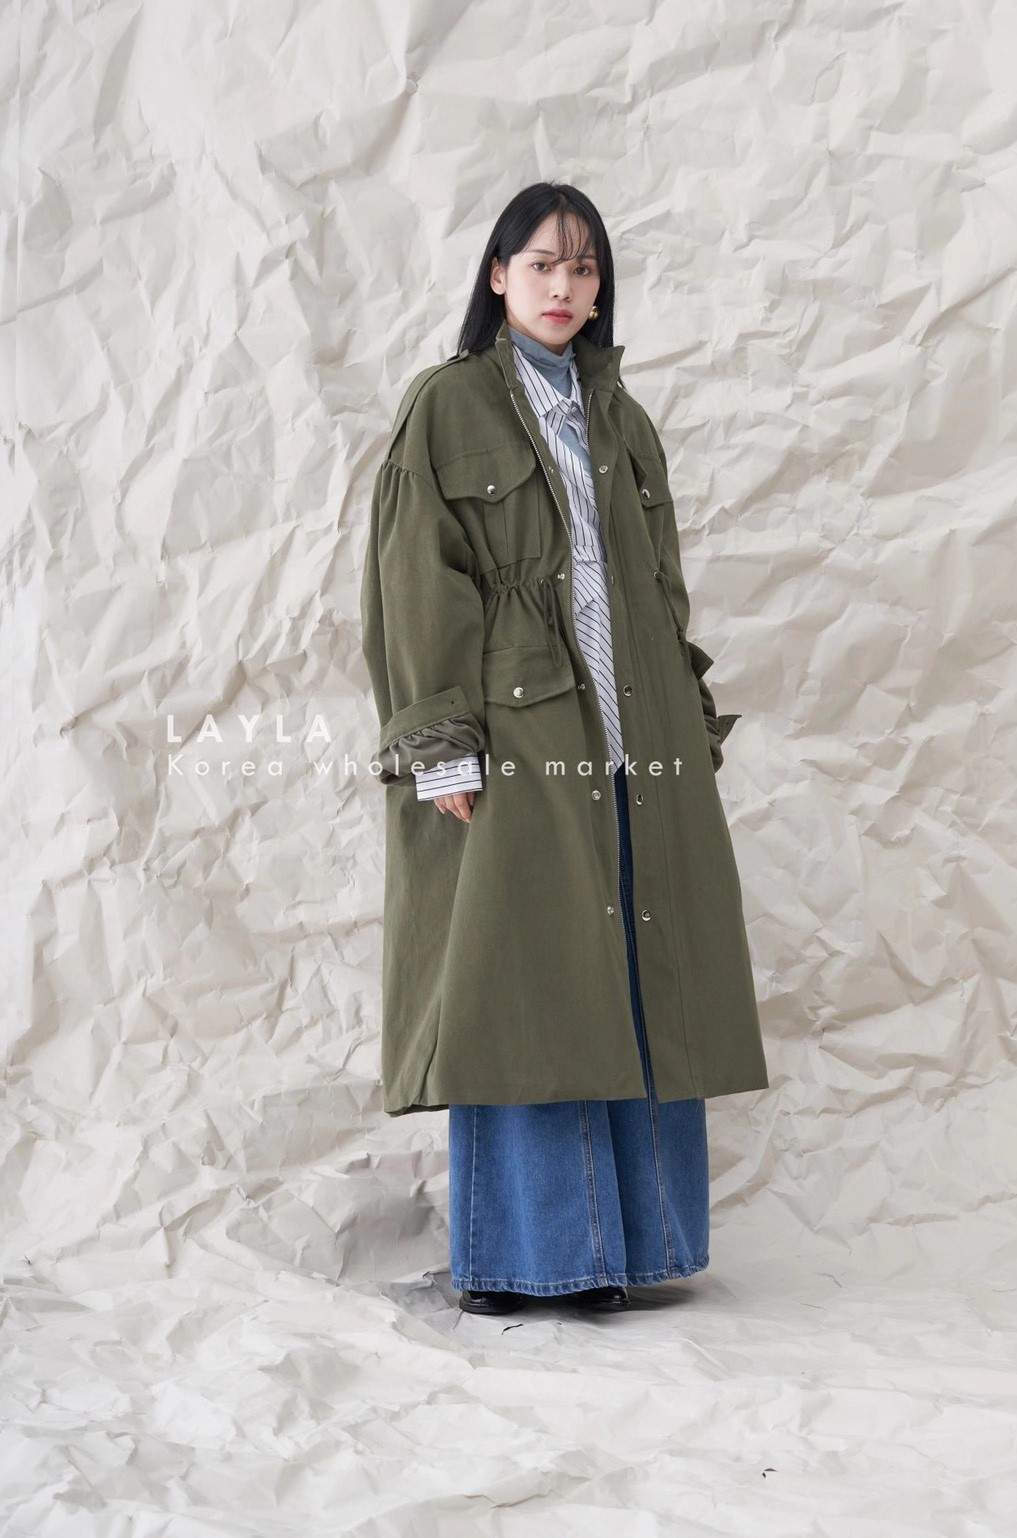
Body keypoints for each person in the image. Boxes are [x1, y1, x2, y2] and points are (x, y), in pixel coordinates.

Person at [360, 182, 769, 1318]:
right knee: (525, 983)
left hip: (639, 736)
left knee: (633, 975)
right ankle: (527, 1258)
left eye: (583, 268)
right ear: (498, 276)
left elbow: (659, 590)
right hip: (522, 731)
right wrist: (442, 743)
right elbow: (414, 576)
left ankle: (622, 1255)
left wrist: (686, 722)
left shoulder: (620, 415)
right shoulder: (448, 404)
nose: (563, 286)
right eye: (541, 263)